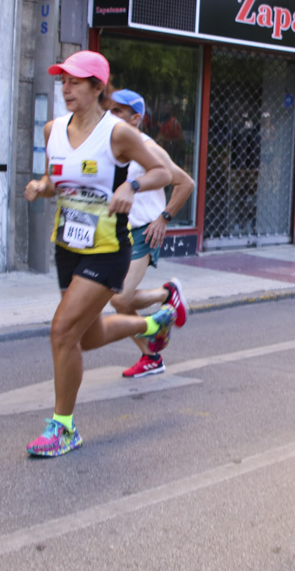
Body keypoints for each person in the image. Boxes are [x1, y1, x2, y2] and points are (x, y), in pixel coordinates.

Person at [22, 51, 177, 457]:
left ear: (97, 88)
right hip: (67, 246)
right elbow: (59, 179)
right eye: (63, 81)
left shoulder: (118, 134)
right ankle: (153, 324)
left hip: (108, 249)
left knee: (61, 332)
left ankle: (63, 427)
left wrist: (133, 187)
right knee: (85, 337)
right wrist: (42, 186)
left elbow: (166, 174)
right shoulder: (53, 129)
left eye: (75, 81)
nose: (66, 88)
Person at [106, 89, 196, 378]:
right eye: (110, 109)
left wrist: (164, 218)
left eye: (119, 111)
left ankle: (167, 294)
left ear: (136, 118)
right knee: (117, 299)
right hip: (116, 232)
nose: (112, 115)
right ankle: (151, 356)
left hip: (143, 230)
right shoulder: (109, 146)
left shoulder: (148, 148)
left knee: (119, 299)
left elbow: (185, 182)